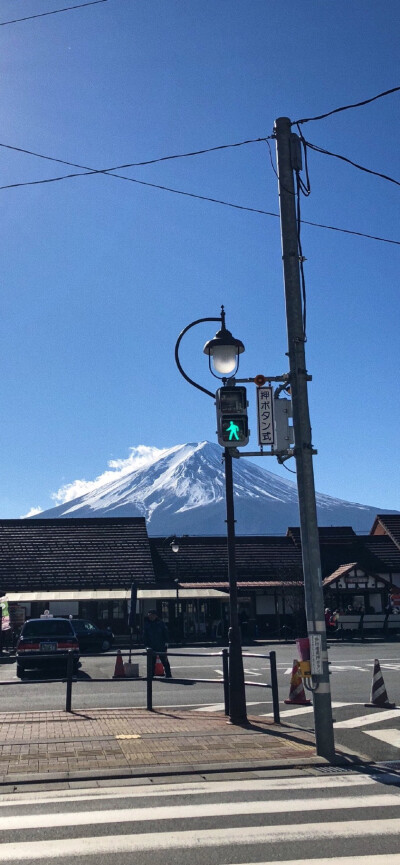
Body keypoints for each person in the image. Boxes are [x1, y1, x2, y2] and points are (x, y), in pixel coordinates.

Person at [143, 610, 172, 678]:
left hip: (161, 644)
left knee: (164, 660)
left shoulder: (161, 623)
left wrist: (167, 642)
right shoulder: (147, 624)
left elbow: (165, 633)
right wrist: (145, 645)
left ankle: (168, 673)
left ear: (156, 616)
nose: (151, 617)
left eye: (152, 615)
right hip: (151, 645)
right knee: (151, 662)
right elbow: (145, 636)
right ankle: (151, 674)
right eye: (149, 615)